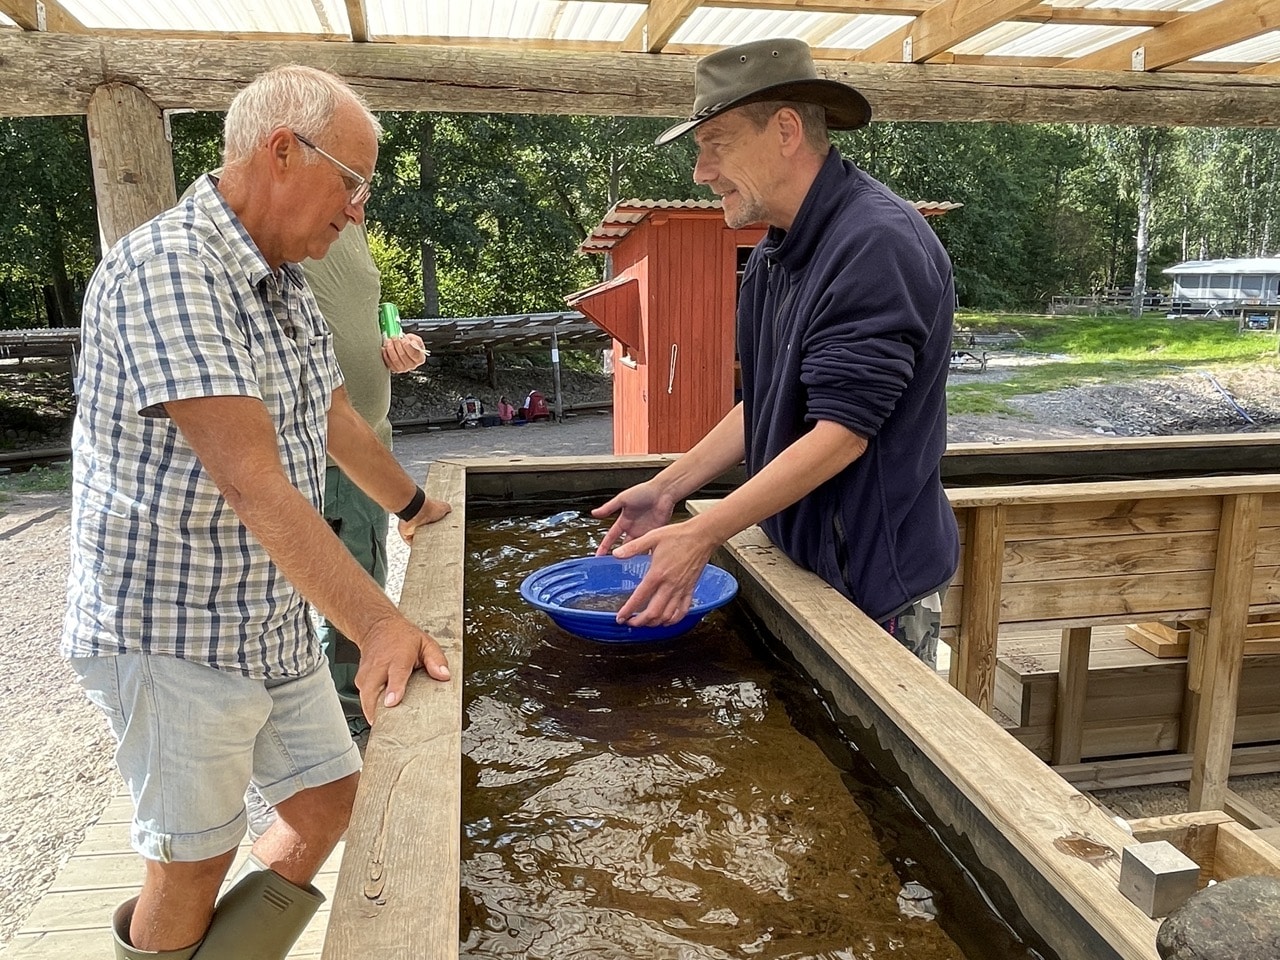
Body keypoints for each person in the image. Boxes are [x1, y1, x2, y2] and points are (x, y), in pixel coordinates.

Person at [64, 65, 452, 960]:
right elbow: (254, 482)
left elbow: (334, 419)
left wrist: (417, 504)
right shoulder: (171, 268)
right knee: (192, 859)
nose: (357, 209)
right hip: (169, 625)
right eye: (352, 181)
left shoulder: (280, 281)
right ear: (283, 151)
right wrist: (382, 623)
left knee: (329, 803)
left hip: (264, 620)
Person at [592, 38, 959, 666]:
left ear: (785, 130)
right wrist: (668, 488)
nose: (700, 172)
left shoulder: (876, 244)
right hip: (806, 565)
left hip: (875, 588)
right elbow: (764, 402)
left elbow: (842, 433)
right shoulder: (772, 254)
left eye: (716, 145)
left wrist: (705, 531)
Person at [301, 222, 429, 741]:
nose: (360, 197)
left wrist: (396, 347)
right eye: (351, 181)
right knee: (353, 591)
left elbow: (354, 325)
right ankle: (351, 713)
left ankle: (342, 704)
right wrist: (416, 506)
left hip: (370, 446)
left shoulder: (347, 229)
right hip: (330, 459)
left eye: (367, 185)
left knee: (362, 575)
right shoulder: (286, 231)